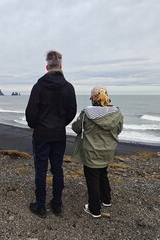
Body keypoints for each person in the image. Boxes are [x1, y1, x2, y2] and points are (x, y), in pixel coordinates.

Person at [25, 50, 77, 218]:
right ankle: (57, 204)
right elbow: (72, 111)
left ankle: (41, 206)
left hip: (41, 134)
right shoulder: (68, 87)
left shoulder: (39, 86)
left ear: (47, 66)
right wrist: (60, 124)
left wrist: (35, 125)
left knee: (41, 170)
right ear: (61, 66)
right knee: (57, 169)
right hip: (58, 134)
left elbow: (31, 111)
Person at [71, 86, 123, 218]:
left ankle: (94, 209)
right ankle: (106, 200)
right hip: (108, 149)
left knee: (92, 177)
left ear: (94, 98)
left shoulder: (87, 114)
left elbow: (76, 128)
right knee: (103, 173)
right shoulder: (117, 112)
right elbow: (119, 129)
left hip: (91, 151)